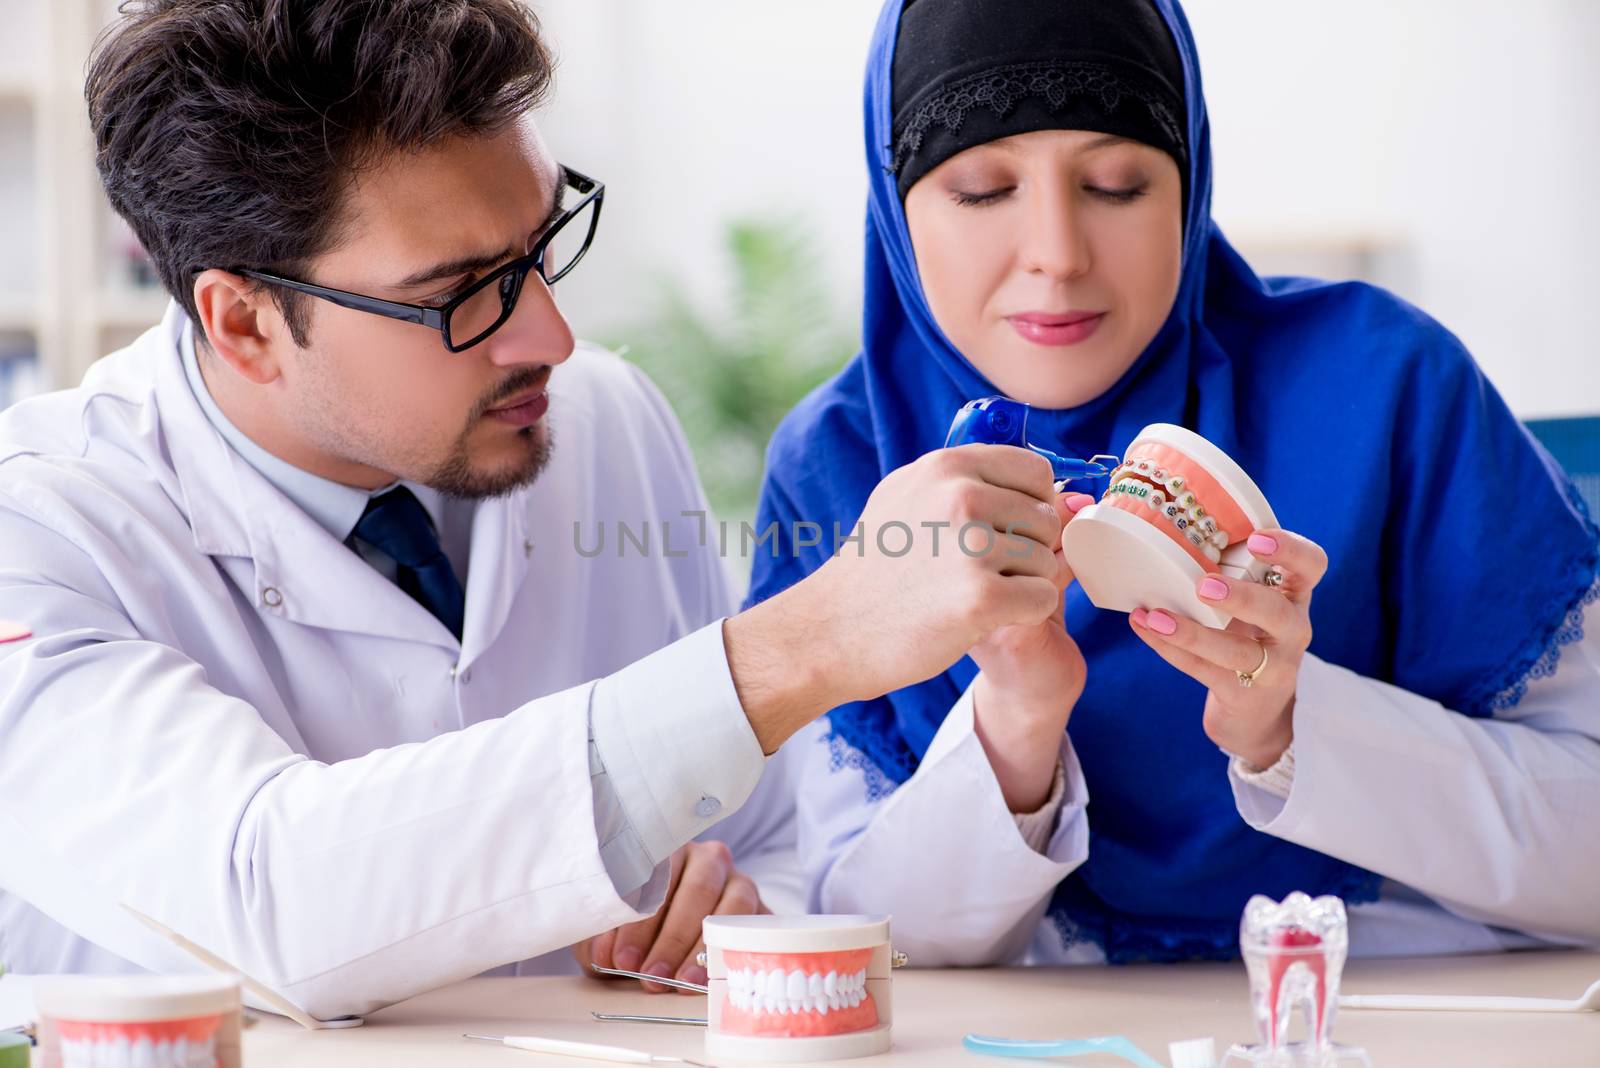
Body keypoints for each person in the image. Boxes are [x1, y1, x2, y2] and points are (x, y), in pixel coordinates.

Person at [0, 0, 1078, 1019]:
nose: (551, 336)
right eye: (460, 294)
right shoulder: (44, 528)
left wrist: (720, 910)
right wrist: (803, 644)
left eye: (539, 244)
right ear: (243, 324)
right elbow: (263, 896)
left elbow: (774, 844)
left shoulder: (597, 422)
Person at [748, 0, 1600, 967]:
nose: (1058, 255)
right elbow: (865, 946)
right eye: (983, 191)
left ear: (1188, 187)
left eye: (1115, 184)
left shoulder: (1385, 388)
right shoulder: (842, 465)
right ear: (895, 207)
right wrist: (1016, 718)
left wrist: (1289, 722)